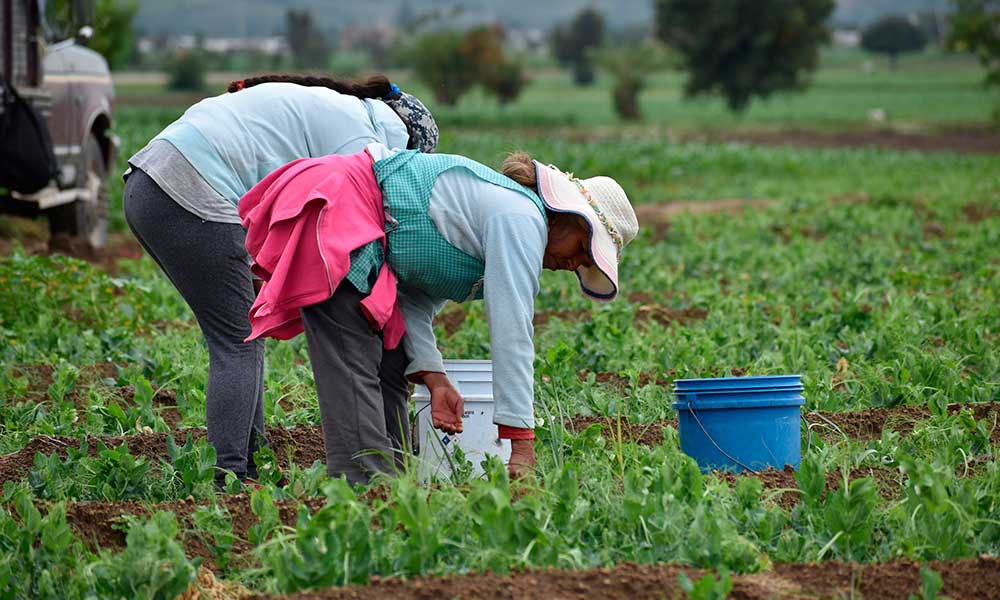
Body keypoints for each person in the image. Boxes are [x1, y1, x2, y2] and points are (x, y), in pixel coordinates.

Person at [240, 142, 639, 483]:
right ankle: (362, 492)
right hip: (340, 209)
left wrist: (435, 378)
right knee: (354, 358)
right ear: (569, 218)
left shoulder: (501, 226)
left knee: (393, 359)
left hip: (367, 237)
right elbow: (512, 329)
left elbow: (413, 299)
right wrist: (520, 443)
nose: (575, 265)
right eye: (583, 250)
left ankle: (390, 490)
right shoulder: (522, 219)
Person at [122, 74, 438, 486]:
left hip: (150, 182)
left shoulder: (340, 108)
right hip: (191, 189)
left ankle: (246, 467)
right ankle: (229, 477)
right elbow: (353, 226)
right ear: (408, 143)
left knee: (244, 333)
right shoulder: (368, 138)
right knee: (238, 339)